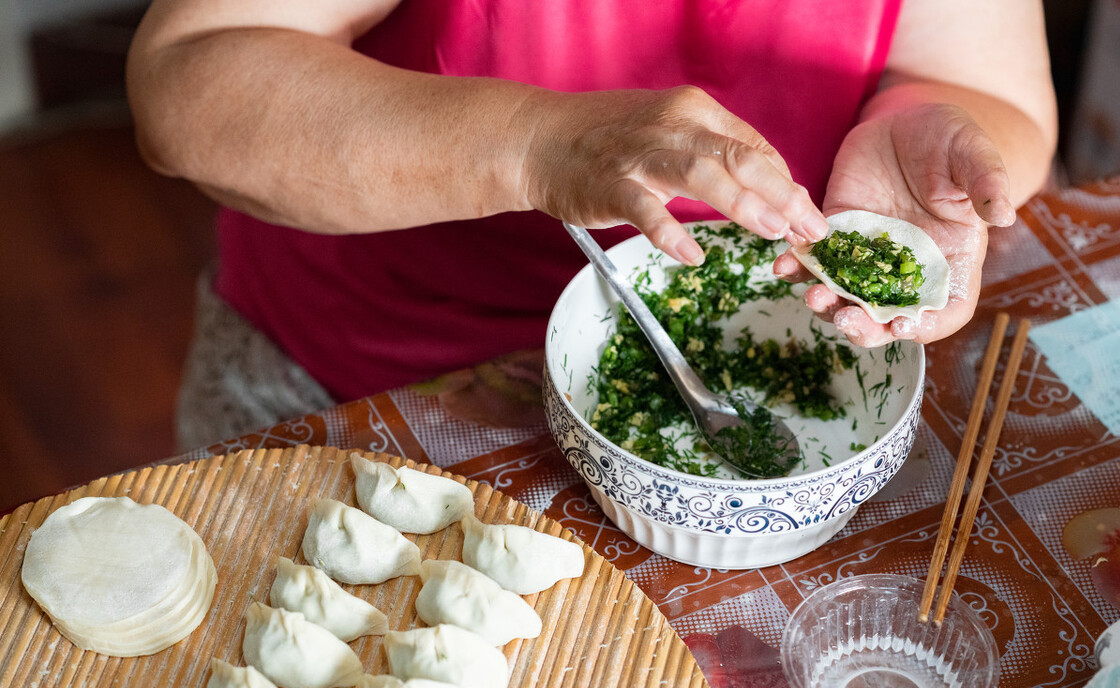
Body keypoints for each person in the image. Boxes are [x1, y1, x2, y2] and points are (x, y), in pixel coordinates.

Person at [126, 0, 1057, 448]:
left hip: (758, 359)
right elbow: (191, 83)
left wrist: (919, 127)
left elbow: (998, 95)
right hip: (375, 378)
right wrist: (541, 145)